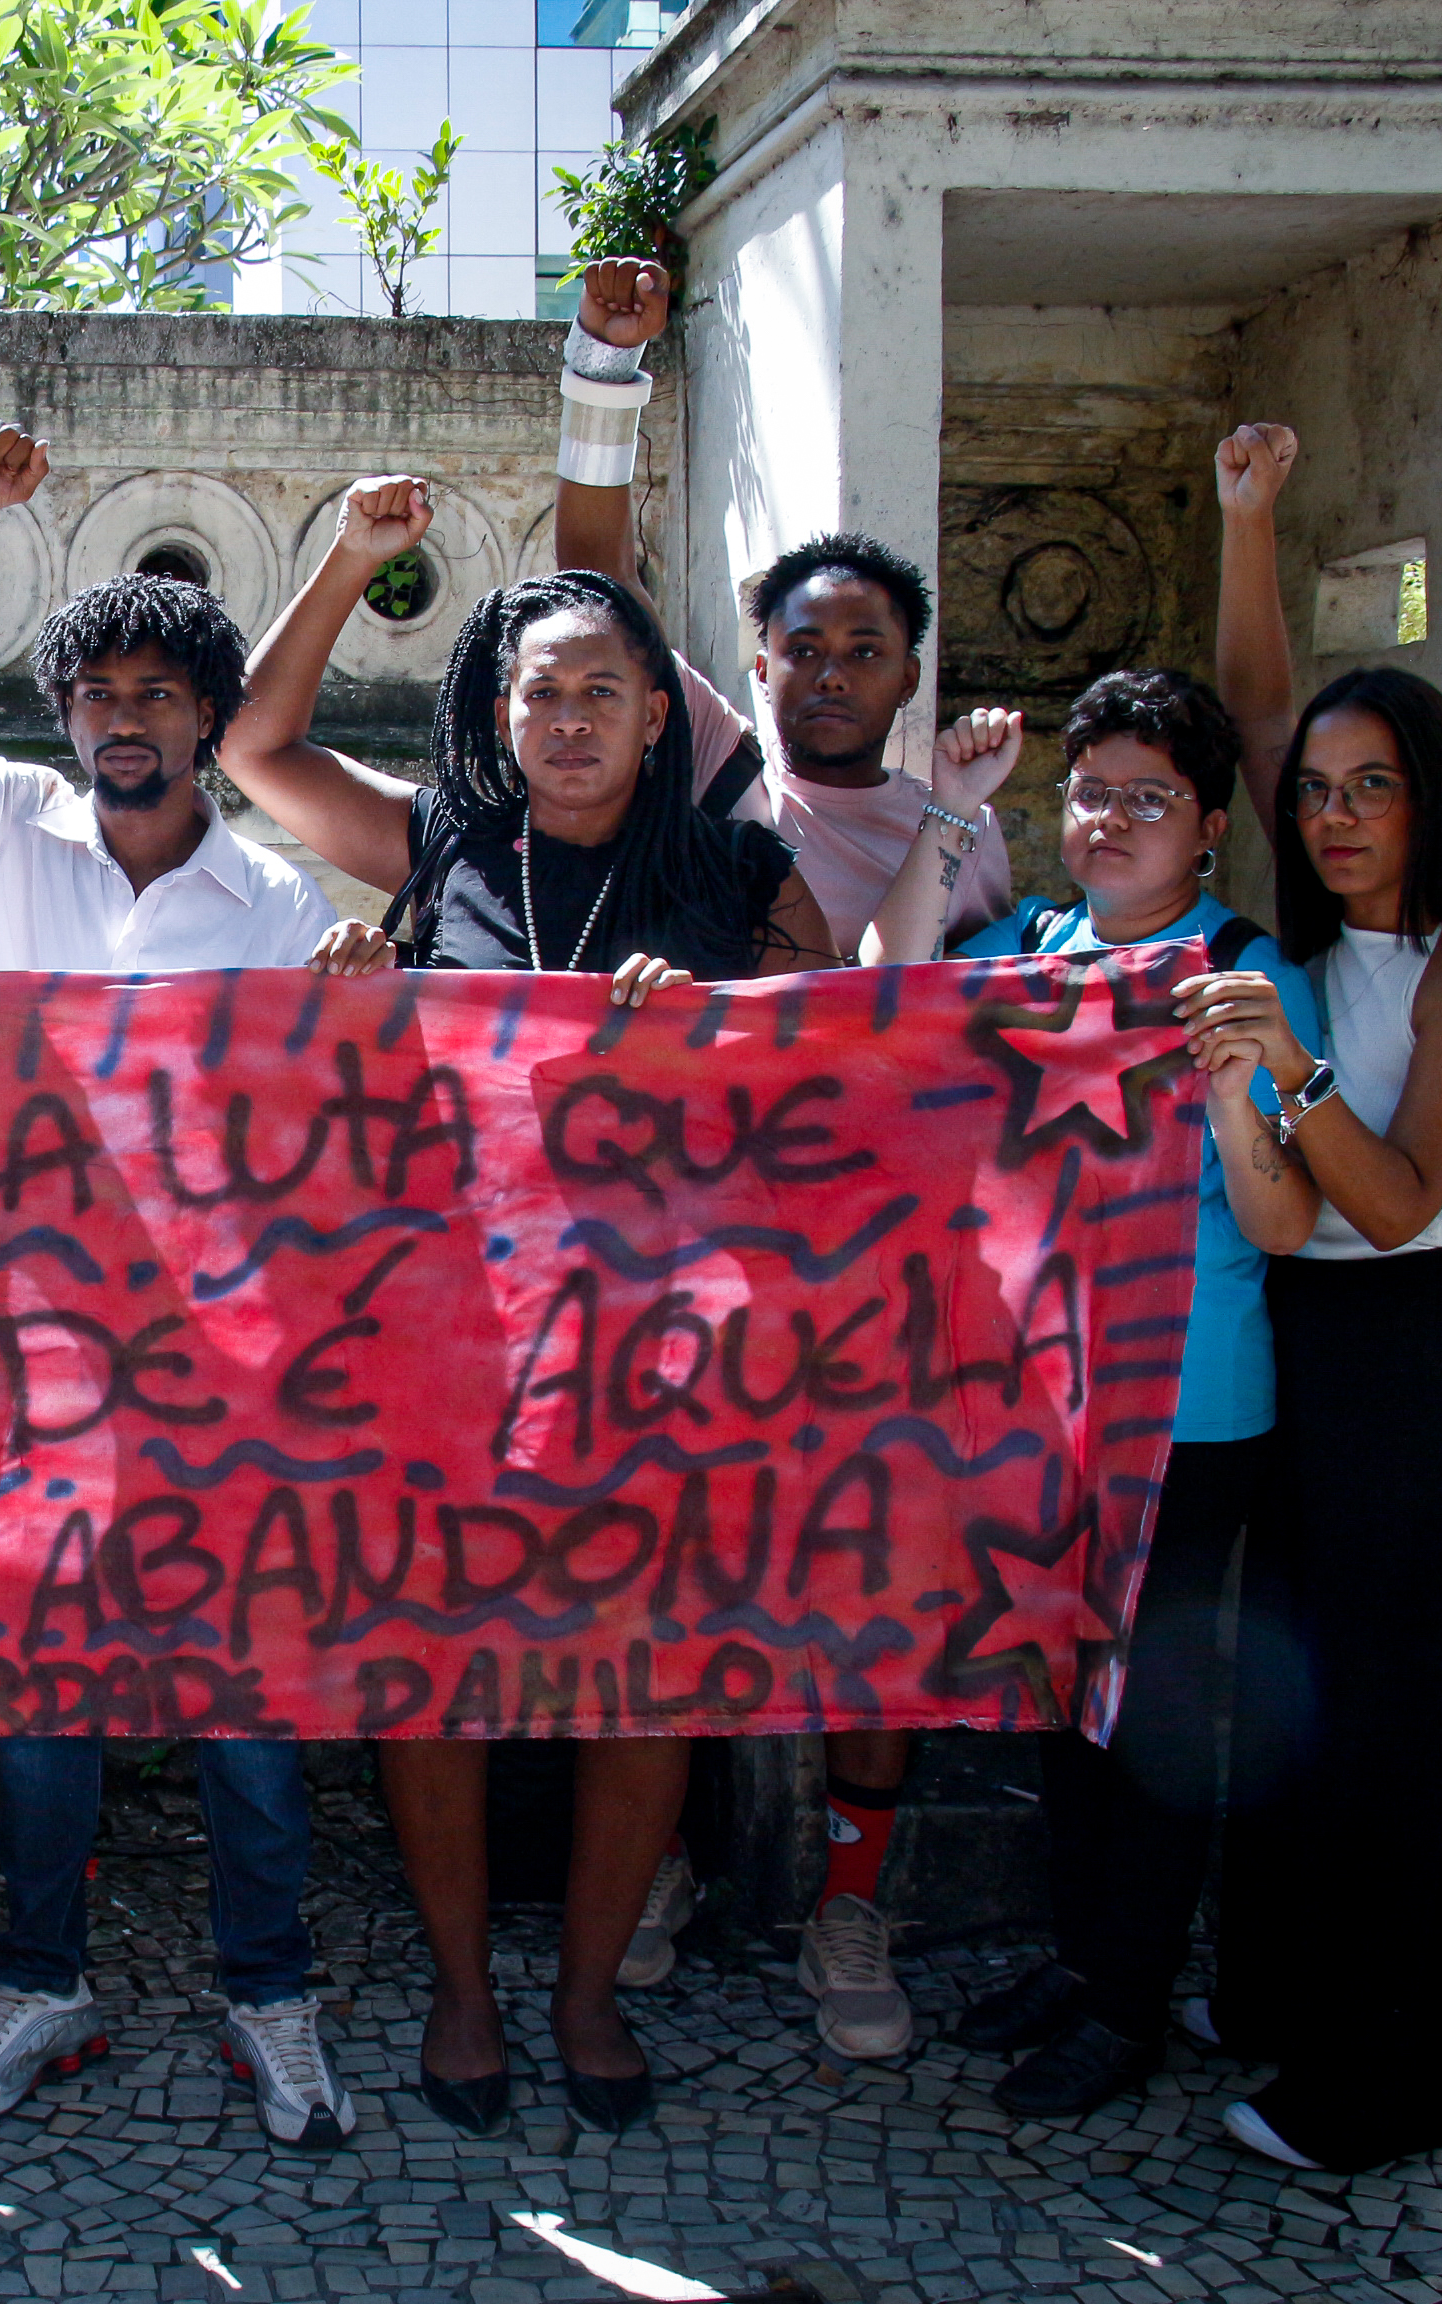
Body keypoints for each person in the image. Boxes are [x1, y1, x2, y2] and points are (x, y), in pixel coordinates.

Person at [214, 472, 834, 2137]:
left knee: (647, 1683)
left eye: (603, 691)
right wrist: (349, 556)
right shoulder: (445, 845)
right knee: (441, 1671)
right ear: (500, 711)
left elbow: (850, 1071)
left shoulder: (740, 870)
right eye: (541, 691)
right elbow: (256, 749)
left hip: (666, 1352)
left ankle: (585, 1994)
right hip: (454, 1340)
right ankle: (466, 1989)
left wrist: (726, 1026)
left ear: (658, 715)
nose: (570, 719)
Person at [0, 419, 361, 2150]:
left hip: (225, 1356)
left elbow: (321, 1136)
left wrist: (353, 1020)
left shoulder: (276, 906)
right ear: (63, 714)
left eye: (158, 693)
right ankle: (38, 1980)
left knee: (248, 1687)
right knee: (44, 1677)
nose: (122, 718)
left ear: (211, 718)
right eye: (95, 693)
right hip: (33, 1348)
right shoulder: (2, 836)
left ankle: (270, 1994)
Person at [554, 254, 1014, 2059]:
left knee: (880, 1595)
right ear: (749, 665)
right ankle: (652, 1867)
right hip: (694, 1272)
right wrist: (606, 366)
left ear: (909, 670)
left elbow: (968, 1045)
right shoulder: (712, 772)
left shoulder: (968, 839)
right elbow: (589, 577)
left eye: (862, 649)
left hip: (887, 1277)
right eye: (799, 645)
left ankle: (849, 1902)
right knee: (670, 1586)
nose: (826, 671)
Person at [857, 670, 1326, 2118]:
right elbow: (894, 986)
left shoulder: (1249, 972)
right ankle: (1080, 1959)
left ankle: (1128, 2003)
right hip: (1045, 1404)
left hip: (1189, 1409)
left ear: (1207, 828)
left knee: (1156, 1714)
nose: (1113, 820)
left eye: (1149, 798)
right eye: (1092, 792)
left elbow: (1285, 1224)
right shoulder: (1042, 948)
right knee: (1066, 1696)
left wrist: (1238, 1085)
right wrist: (951, 811)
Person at [1174, 617, 1442, 2171]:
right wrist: (1245, 519)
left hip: (1427, 1352)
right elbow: (1258, 703)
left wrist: (1292, 1072)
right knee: (1293, 1696)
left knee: (1410, 1728)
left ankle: (1374, 2091)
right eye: (1317, 790)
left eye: (1371, 787)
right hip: (1311, 1346)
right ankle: (1278, 1993)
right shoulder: (1315, 954)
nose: (1333, 815)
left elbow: (1391, 1205)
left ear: (1430, 800)